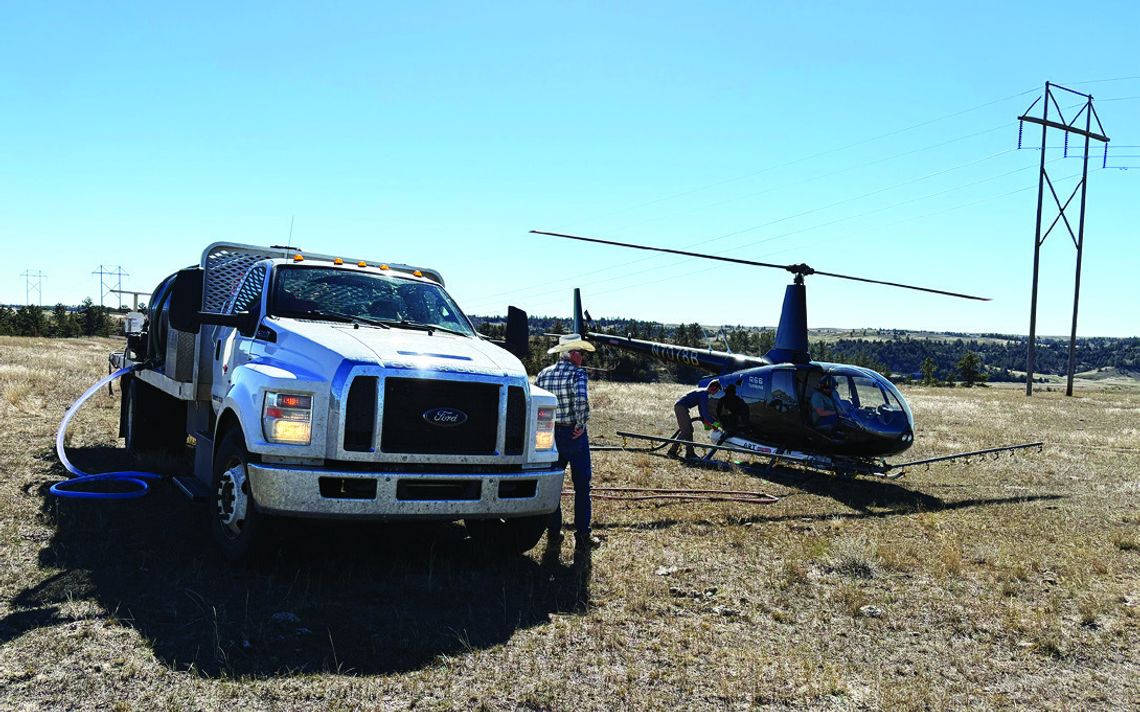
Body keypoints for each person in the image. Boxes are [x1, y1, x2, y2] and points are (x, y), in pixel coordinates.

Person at [535, 333, 600, 549]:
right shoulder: (578, 374)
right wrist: (581, 425)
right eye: (580, 353)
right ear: (572, 354)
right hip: (573, 434)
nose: (582, 357)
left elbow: (538, 403)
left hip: (549, 434)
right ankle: (583, 535)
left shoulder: (544, 374)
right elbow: (581, 401)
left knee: (553, 485)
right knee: (582, 486)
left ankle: (554, 532)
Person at [668, 380, 721, 460]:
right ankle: (671, 452)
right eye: (716, 390)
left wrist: (704, 420)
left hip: (682, 407)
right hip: (680, 407)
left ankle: (690, 453)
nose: (716, 393)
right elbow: (705, 412)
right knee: (686, 431)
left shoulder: (703, 393)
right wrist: (714, 423)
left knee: (690, 430)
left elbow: (701, 409)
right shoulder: (704, 394)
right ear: (713, 388)